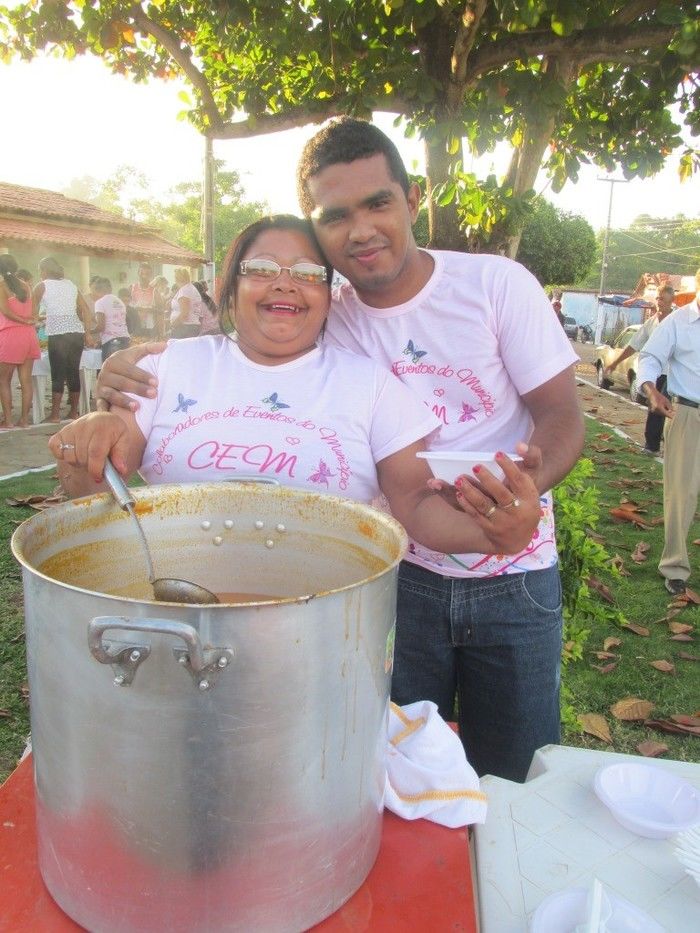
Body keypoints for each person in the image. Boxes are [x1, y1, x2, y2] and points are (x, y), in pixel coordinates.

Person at [96, 120, 583, 782]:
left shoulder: (496, 285)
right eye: (336, 215)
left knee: (517, 769)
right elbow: (250, 348)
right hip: (391, 574)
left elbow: (561, 415)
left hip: (512, 574)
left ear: (413, 201)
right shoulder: (329, 307)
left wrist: (521, 494)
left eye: (378, 203)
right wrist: (129, 363)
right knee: (383, 760)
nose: (361, 230)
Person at [50, 216, 541, 582]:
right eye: (262, 268)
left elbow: (415, 504)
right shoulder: (164, 365)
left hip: (323, 629)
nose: (285, 282)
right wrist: (86, 445)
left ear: (329, 296)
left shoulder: (371, 386)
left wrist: (494, 533)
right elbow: (98, 485)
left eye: (308, 274)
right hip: (181, 617)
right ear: (229, 286)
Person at [637, 269, 700, 598]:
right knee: (683, 493)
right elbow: (649, 357)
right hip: (688, 413)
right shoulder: (677, 323)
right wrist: (651, 391)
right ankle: (675, 567)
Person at [605, 284, 675, 456]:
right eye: (658, 299)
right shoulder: (651, 323)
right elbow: (634, 345)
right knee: (655, 408)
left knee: (674, 412)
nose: (660, 303)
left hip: (674, 375)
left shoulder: (678, 321)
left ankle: (672, 448)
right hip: (657, 374)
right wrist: (615, 363)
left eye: (663, 300)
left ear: (671, 301)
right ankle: (651, 446)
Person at [32, 256, 89, 422]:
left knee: (58, 374)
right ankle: (73, 412)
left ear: (43, 271)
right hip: (76, 332)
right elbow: (85, 309)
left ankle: (55, 414)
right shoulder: (70, 284)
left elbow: (31, 312)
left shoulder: (41, 286)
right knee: (73, 372)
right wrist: (87, 333)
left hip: (58, 333)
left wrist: (39, 320)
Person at [0, 254, 41, 428]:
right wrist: (27, 321)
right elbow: (33, 312)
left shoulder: (2, 286)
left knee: (4, 380)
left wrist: (21, 321)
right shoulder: (26, 286)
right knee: (26, 380)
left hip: (10, 335)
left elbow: (6, 311)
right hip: (29, 335)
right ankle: (24, 420)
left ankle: (8, 420)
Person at [90, 277, 131, 363]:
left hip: (111, 343)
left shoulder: (100, 302)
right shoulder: (119, 301)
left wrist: (87, 332)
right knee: (122, 371)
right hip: (125, 340)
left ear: (97, 290)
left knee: (109, 372)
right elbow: (114, 321)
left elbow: (101, 327)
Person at [169, 268, 203, 338]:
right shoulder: (191, 288)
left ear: (177, 278)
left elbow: (184, 314)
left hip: (184, 328)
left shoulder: (184, 290)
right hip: (192, 327)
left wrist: (173, 324)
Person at [130, 262, 156, 338]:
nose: (144, 275)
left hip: (149, 327)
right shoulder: (131, 288)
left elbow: (160, 311)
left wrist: (149, 309)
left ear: (150, 275)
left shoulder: (154, 291)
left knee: (147, 348)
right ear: (138, 273)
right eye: (142, 273)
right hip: (134, 325)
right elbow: (125, 307)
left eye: (147, 273)